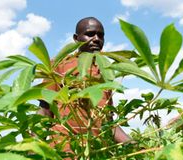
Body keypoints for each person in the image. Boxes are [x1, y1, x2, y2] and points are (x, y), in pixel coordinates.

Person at [38, 17, 131, 152]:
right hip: (65, 148)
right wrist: (33, 147)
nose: (96, 39)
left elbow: (108, 123)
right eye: (90, 34)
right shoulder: (59, 65)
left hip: (98, 150)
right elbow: (45, 110)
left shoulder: (105, 71)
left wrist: (134, 143)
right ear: (76, 38)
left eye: (101, 35)